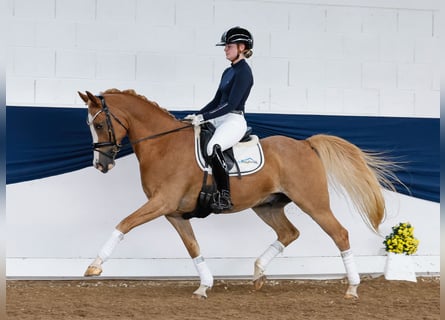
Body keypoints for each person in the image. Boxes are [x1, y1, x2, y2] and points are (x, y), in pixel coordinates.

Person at [185, 26, 254, 212]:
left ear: (241, 47)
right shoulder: (228, 72)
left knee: (212, 147)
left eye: (228, 46)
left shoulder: (244, 73)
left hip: (233, 120)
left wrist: (204, 117)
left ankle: (224, 195)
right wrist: (196, 115)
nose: (225, 49)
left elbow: (230, 104)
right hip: (219, 117)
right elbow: (216, 101)